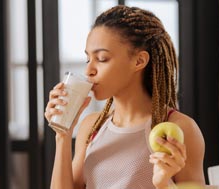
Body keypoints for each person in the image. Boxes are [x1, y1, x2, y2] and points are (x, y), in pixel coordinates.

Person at [44, 5, 205, 189]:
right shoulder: (92, 126)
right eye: (88, 58)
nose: (89, 70)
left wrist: (164, 184)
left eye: (102, 58)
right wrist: (63, 135)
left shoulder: (180, 128)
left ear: (139, 61)